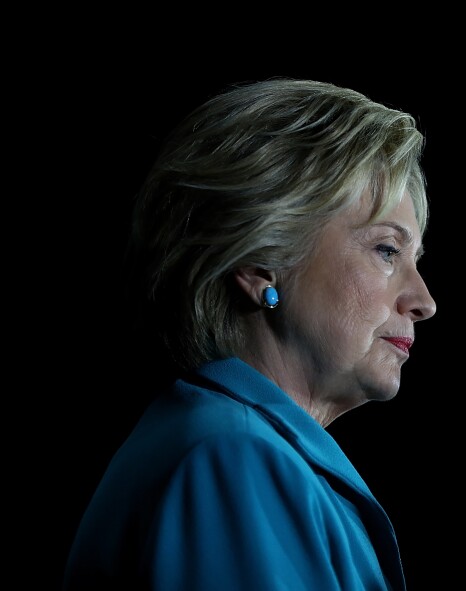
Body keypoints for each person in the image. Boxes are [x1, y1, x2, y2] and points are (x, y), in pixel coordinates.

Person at [63, 77, 437, 590]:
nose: (424, 301)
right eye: (387, 251)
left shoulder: (239, 448)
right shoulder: (231, 459)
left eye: (414, 259)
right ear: (262, 265)